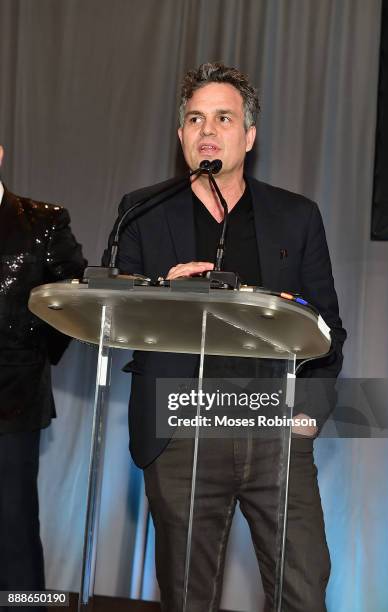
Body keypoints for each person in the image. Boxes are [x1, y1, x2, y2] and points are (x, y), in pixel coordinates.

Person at [104, 63, 346, 611]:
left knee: (304, 589)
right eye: (195, 118)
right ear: (181, 134)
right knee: (188, 597)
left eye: (223, 118)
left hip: (272, 425)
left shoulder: (296, 216)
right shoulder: (142, 212)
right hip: (181, 422)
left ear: (249, 135)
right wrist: (161, 293)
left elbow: (328, 329)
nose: (207, 130)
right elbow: (113, 318)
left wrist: (306, 415)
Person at [0, 144, 86, 610]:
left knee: (12, 527)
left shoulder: (42, 221)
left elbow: (70, 301)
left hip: (13, 400)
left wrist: (30, 358)